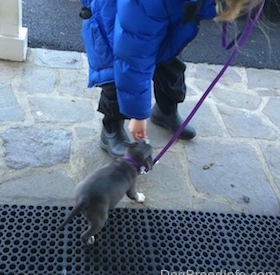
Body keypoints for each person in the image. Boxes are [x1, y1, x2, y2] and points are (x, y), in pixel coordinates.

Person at [80, 0, 262, 157]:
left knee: (170, 64)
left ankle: (165, 112)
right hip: (114, 16)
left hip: (156, 15)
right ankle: (111, 128)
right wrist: (137, 116)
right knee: (115, 75)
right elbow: (133, 59)